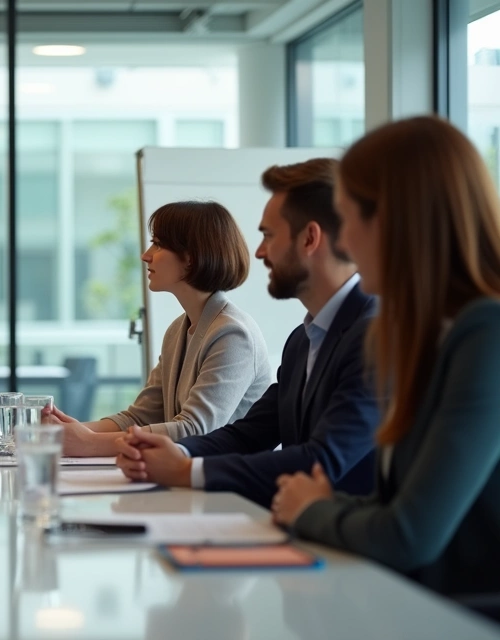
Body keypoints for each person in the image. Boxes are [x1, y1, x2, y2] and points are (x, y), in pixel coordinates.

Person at [271, 117, 500, 597]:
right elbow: (393, 505)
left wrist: (313, 509)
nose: (345, 242)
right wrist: (325, 505)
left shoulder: (487, 333)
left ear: (397, 220)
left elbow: (408, 534)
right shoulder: (425, 333)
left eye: (350, 217)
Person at [114, 159, 379, 507]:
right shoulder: (303, 341)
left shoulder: (376, 335)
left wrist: (184, 470)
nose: (259, 251)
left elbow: (321, 461)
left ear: (310, 238)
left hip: (355, 551)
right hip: (306, 532)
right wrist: (175, 451)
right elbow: (249, 433)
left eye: (268, 235)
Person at [46, 201, 270, 457]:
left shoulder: (233, 334)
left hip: (228, 489)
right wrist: (65, 434)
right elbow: (140, 416)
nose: (146, 255)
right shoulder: (178, 330)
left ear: (191, 258)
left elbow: (195, 430)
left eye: (159, 244)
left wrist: (88, 443)